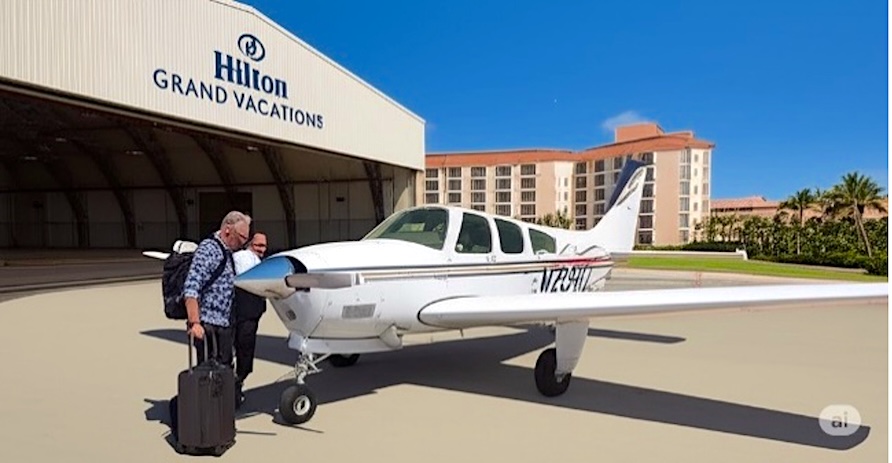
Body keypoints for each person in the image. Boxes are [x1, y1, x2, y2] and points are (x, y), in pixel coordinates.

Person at [183, 211, 252, 368]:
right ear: (228, 230)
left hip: (224, 325)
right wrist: (194, 323)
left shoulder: (227, 252)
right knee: (209, 374)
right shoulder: (209, 249)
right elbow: (191, 286)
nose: (243, 243)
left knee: (224, 371)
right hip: (208, 326)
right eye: (241, 237)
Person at [231, 231, 268, 406]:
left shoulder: (255, 259)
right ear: (249, 244)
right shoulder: (245, 258)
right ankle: (235, 387)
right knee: (243, 351)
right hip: (243, 315)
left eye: (264, 246)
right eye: (258, 245)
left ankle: (236, 384)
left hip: (251, 315)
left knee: (244, 351)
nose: (262, 249)